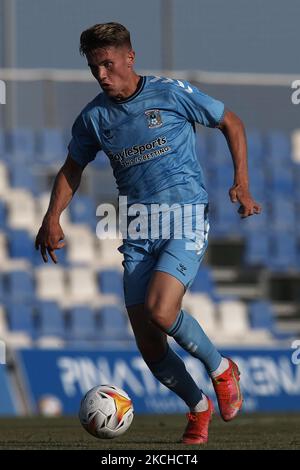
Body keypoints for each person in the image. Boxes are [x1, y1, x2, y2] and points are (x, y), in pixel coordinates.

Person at [35, 22, 261, 444]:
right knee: (150, 343)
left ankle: (222, 369)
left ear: (129, 57)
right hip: (138, 229)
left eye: (107, 64)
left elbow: (231, 122)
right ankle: (198, 409)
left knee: (161, 309)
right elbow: (72, 167)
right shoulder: (94, 118)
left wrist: (242, 182)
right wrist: (52, 217)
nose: (102, 75)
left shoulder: (169, 93)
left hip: (186, 217)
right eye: (93, 68)